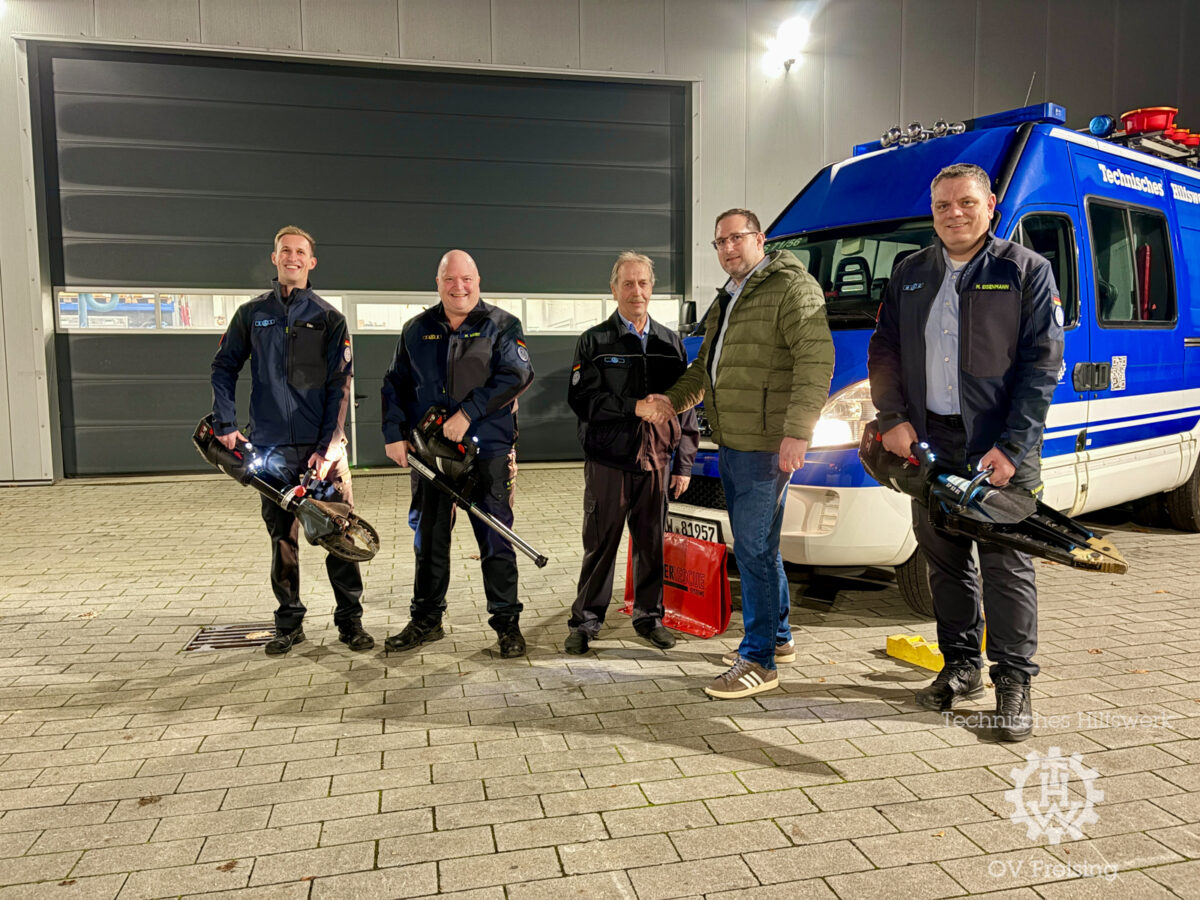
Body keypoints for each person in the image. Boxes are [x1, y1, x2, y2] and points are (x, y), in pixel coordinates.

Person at [867, 163, 1064, 742]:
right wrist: (893, 419)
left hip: (998, 448)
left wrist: (1013, 444)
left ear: (991, 204)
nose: (954, 214)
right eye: (943, 205)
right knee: (944, 560)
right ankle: (960, 668)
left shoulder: (1025, 270)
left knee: (1007, 567)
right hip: (930, 445)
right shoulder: (910, 271)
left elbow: (1041, 366)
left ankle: (1014, 683)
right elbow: (885, 351)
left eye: (966, 203)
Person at [643, 208, 835, 699]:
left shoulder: (792, 287)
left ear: (760, 239)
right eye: (720, 242)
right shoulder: (730, 297)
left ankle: (759, 661)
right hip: (735, 439)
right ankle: (778, 636)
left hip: (766, 445)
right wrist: (671, 402)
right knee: (760, 547)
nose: (728, 248)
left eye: (737, 238)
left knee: (750, 548)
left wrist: (798, 432)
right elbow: (705, 369)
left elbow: (817, 360)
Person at [211, 226, 373, 656]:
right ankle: (289, 623)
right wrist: (226, 423)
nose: (293, 258)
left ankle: (350, 623)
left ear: (311, 262)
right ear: (275, 257)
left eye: (301, 252)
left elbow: (340, 387)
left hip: (323, 452)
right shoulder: (252, 315)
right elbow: (223, 367)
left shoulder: (329, 319)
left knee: (338, 534)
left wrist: (328, 447)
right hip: (271, 452)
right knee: (282, 539)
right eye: (286, 251)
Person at [381, 250, 534, 658]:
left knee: (495, 538)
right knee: (428, 539)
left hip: (487, 453)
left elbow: (517, 374)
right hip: (430, 453)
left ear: (478, 281)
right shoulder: (416, 329)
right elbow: (394, 383)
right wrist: (393, 434)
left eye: (466, 279)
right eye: (450, 279)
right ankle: (426, 620)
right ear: (439, 282)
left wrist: (469, 412)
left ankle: (507, 625)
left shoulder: (502, 325)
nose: (459, 287)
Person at [565, 251, 699, 654]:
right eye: (627, 283)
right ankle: (586, 621)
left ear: (651, 289)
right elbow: (581, 398)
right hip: (609, 461)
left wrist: (684, 461)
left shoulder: (669, 342)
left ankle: (648, 617)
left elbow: (688, 403)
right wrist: (632, 407)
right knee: (601, 544)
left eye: (643, 283)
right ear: (614, 289)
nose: (636, 291)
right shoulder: (594, 341)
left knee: (651, 542)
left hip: (657, 461)